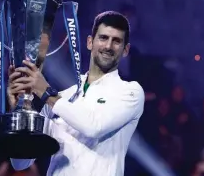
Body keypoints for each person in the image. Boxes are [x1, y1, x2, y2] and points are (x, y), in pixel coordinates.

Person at [7, 11, 145, 176]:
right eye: (103, 38)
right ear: (89, 42)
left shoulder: (130, 92)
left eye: (116, 41)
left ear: (125, 50)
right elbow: (21, 162)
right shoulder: (62, 97)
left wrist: (46, 92)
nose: (108, 46)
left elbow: (94, 127)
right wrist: (20, 109)